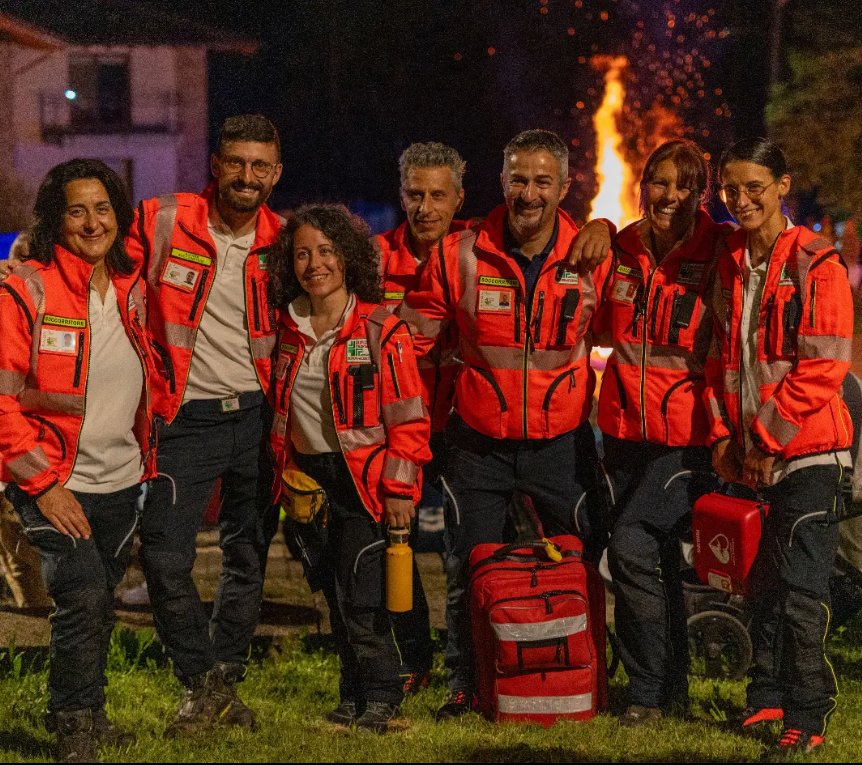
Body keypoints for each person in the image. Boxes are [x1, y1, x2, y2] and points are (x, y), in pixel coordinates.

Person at [399, 129, 612, 719]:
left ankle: (589, 675)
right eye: (518, 179)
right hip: (479, 445)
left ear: (565, 187)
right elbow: (410, 340)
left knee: (586, 560)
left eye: (543, 181)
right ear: (501, 182)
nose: (529, 193)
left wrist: (608, 229)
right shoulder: (460, 253)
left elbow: (625, 329)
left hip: (561, 445)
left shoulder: (592, 257)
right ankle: (466, 684)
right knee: (468, 568)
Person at [125, 115, 284, 735]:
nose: (247, 176)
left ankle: (223, 682)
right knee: (164, 557)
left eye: (260, 166)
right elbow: (98, 261)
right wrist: (28, 257)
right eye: (236, 162)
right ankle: (202, 680)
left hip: (257, 420)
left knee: (247, 557)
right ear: (216, 164)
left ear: (276, 172)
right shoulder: (162, 219)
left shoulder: (286, 241)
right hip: (183, 420)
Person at [0, 158, 155, 761]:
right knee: (84, 595)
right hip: (52, 478)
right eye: (76, 209)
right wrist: (42, 484)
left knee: (102, 599)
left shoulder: (132, 286)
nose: (92, 222)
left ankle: (90, 709)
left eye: (103, 208)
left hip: (119, 478)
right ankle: (72, 726)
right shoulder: (26, 289)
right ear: (54, 218)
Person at [704, 137, 853, 753]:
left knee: (800, 589)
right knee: (757, 587)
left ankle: (809, 710)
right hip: (749, 452)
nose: (741, 200)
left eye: (754, 188)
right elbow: (717, 358)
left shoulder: (819, 263)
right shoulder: (730, 261)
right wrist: (721, 435)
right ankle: (764, 697)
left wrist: (764, 438)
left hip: (809, 452)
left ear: (783, 186)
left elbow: (824, 367)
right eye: (730, 189)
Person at [268, 204, 431, 732]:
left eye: (327, 251)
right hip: (307, 484)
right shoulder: (285, 329)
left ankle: (383, 695)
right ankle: (352, 693)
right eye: (302, 254)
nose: (315, 263)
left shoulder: (384, 329)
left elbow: (408, 419)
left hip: (364, 483)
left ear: (349, 256)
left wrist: (400, 492)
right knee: (334, 596)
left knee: (362, 594)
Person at [592, 140, 729, 727]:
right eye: (659, 183)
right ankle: (671, 685)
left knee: (632, 545)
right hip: (622, 429)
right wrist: (597, 222)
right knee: (659, 564)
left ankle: (647, 690)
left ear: (701, 193)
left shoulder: (722, 249)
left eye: (683, 185)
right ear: (643, 185)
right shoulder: (619, 246)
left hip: (687, 435)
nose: (669, 196)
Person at [370, 141, 468, 693]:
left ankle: (464, 663)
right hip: (395, 430)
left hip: (462, 428)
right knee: (393, 544)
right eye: (414, 194)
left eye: (437, 195)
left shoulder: (481, 254)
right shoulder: (375, 259)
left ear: (459, 198)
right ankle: (413, 659)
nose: (425, 208)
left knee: (464, 551)